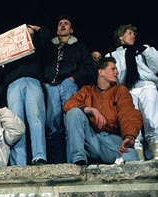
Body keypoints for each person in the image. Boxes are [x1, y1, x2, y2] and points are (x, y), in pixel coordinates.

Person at [28, 15, 96, 163]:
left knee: (70, 120)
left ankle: (74, 159)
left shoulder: (79, 46)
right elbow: (39, 61)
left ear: (71, 29)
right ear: (57, 30)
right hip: (50, 86)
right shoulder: (49, 47)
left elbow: (89, 68)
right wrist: (44, 82)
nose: (63, 25)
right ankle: (58, 161)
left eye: (66, 24)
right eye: (60, 24)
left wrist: (73, 78)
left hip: (68, 83)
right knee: (53, 124)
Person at [63, 57, 142, 165]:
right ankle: (78, 161)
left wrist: (129, 136)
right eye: (113, 69)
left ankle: (119, 162)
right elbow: (68, 105)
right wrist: (89, 109)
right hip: (91, 140)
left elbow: (128, 114)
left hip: (111, 141)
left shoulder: (120, 90)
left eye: (116, 69)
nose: (117, 72)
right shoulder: (87, 90)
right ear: (101, 72)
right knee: (74, 112)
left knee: (132, 158)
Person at [0, 24, 47, 166]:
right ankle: (19, 162)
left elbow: (47, 41)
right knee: (16, 123)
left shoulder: (37, 47)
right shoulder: (10, 52)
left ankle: (39, 156)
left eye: (28, 32)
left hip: (33, 80)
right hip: (12, 84)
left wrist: (38, 29)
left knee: (36, 118)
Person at [107, 24, 158, 160]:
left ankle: (156, 151)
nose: (133, 36)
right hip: (126, 89)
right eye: (129, 33)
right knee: (131, 121)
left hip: (146, 84)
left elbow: (156, 66)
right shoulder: (112, 55)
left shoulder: (143, 50)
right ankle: (137, 154)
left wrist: (146, 52)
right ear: (121, 37)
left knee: (151, 117)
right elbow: (110, 75)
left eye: (134, 34)